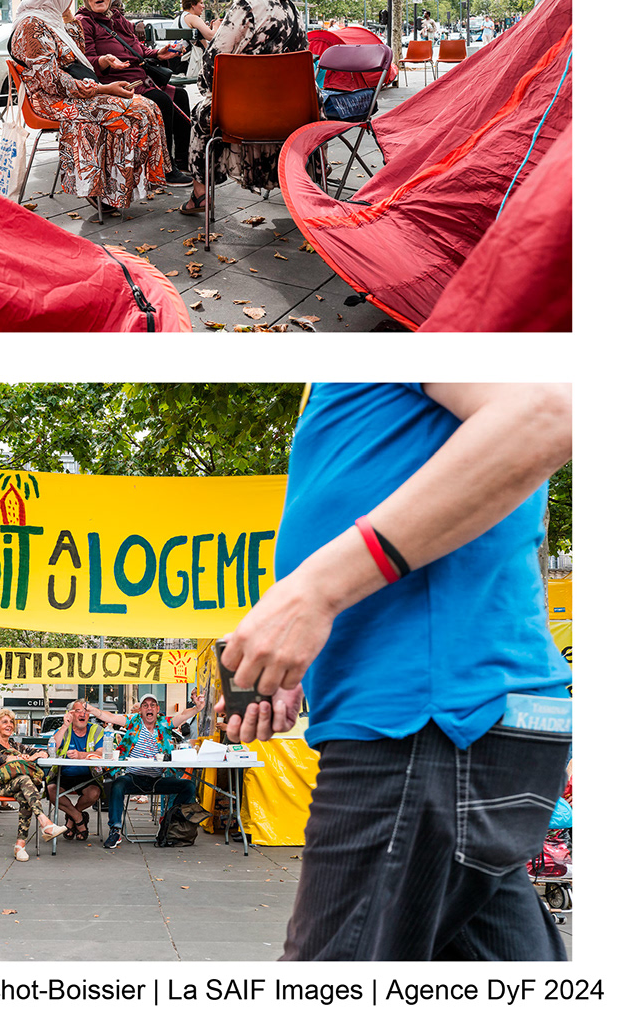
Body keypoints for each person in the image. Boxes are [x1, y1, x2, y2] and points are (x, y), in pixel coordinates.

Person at [219, 383, 572, 961]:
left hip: (426, 720)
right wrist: (306, 661)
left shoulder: (416, 322)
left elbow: (542, 410)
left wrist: (316, 591)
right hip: (458, 716)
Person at [10, 0, 167, 218]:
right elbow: (52, 82)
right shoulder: (31, 26)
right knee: (129, 110)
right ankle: (103, 191)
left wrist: (67, 16)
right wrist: (103, 89)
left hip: (73, 92)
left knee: (147, 106)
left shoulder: (51, 20)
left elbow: (78, 55)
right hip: (50, 101)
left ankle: (124, 186)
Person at [179, 0, 308, 214]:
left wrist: (208, 90)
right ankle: (303, 186)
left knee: (200, 114)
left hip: (244, 114)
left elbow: (213, 62)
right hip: (296, 113)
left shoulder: (245, 6)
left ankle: (200, 195)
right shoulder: (293, 8)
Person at [76, 0, 194, 186]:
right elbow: (86, 61)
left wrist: (158, 53)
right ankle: (164, 168)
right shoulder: (84, 22)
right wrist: (104, 60)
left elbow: (138, 49)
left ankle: (181, 160)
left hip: (142, 79)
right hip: (118, 86)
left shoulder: (117, 19)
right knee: (162, 101)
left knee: (182, 96)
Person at [100, 694, 203, 849]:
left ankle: (170, 822)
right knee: (117, 785)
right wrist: (90, 709)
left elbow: (182, 715)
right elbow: (111, 717)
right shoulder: (133, 722)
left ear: (157, 709)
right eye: (145, 705)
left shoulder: (164, 723)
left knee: (188, 786)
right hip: (133, 778)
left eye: (152, 705)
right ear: (141, 710)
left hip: (157, 779)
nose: (149, 708)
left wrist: (197, 708)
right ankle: (115, 830)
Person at [0, 709, 68, 860]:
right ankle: (44, 823)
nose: (10, 725)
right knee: (25, 781)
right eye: (5, 722)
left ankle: (20, 845)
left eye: (11, 722)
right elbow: (2, 760)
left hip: (16, 785)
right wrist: (22, 757)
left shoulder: (14, 744)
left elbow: (42, 752)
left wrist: (34, 754)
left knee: (25, 795)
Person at [45, 697, 113, 839]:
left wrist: (81, 755)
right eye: (78, 711)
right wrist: (64, 726)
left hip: (88, 775)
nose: (83, 714)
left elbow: (102, 753)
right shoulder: (64, 729)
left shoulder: (97, 730)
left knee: (94, 793)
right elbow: (51, 748)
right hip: (64, 774)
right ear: (70, 714)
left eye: (86, 711)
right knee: (51, 791)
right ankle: (79, 819)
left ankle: (70, 819)